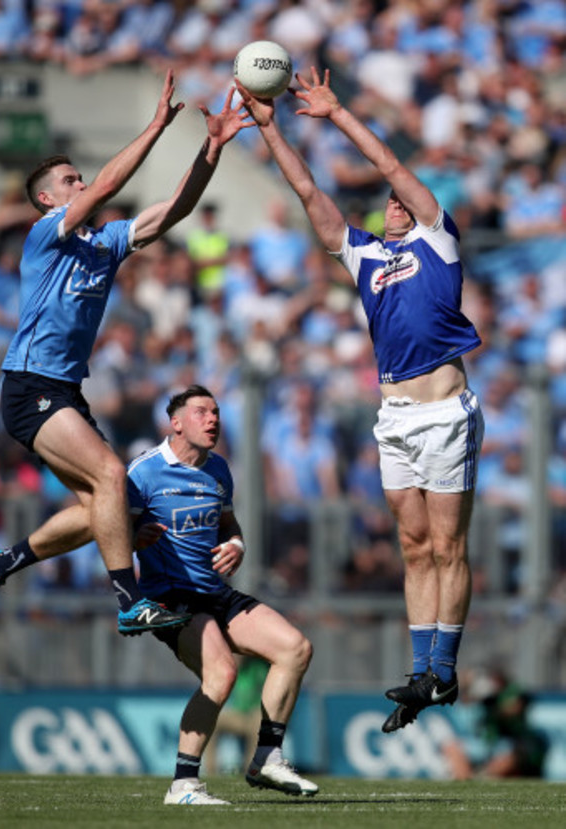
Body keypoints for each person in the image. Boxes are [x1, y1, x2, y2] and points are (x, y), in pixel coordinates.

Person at [0, 71, 253, 638]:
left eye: (79, 177)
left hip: (63, 389)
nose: (81, 183)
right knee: (113, 477)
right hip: (29, 383)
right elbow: (103, 189)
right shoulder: (47, 233)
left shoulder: (106, 241)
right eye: (69, 180)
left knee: (108, 510)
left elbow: (174, 210)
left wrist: (210, 149)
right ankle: (129, 600)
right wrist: (154, 127)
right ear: (48, 198)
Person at [237, 68, 485, 733]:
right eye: (389, 203)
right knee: (411, 543)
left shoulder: (437, 237)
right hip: (395, 416)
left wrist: (338, 114)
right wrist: (269, 129)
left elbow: (390, 162)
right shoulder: (364, 254)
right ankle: (421, 669)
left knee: (446, 543)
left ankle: (445, 666)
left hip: (443, 409)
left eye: (401, 201)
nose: (395, 204)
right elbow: (307, 189)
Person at [128, 384, 317, 805]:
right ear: (175, 423)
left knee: (295, 649)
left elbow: (228, 525)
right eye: (201, 412)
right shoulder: (142, 472)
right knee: (222, 674)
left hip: (215, 592)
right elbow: (111, 536)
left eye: (215, 412)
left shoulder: (219, 470)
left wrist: (237, 544)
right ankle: (183, 785)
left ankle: (267, 757)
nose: (213, 419)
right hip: (171, 596)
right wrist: (132, 538)